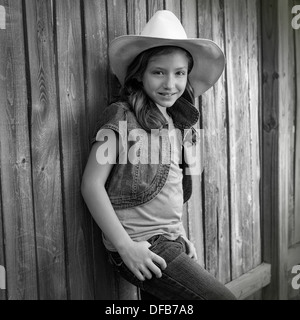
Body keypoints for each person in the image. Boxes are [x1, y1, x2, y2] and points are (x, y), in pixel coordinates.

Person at [81, 10, 236, 300]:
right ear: (139, 74)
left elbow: (168, 190)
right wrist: (126, 247)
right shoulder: (121, 117)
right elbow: (91, 185)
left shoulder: (179, 125)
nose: (170, 84)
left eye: (179, 73)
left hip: (168, 241)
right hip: (139, 245)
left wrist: (177, 233)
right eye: (158, 72)